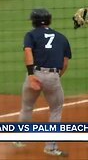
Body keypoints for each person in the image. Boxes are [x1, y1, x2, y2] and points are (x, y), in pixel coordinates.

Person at [13, 8, 71, 157]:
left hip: (35, 74)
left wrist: (32, 74)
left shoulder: (31, 35)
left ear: (34, 22)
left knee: (27, 107)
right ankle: (50, 147)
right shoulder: (61, 37)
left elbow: (27, 52)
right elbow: (65, 63)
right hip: (53, 76)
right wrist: (55, 77)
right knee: (55, 110)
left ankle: (20, 139)